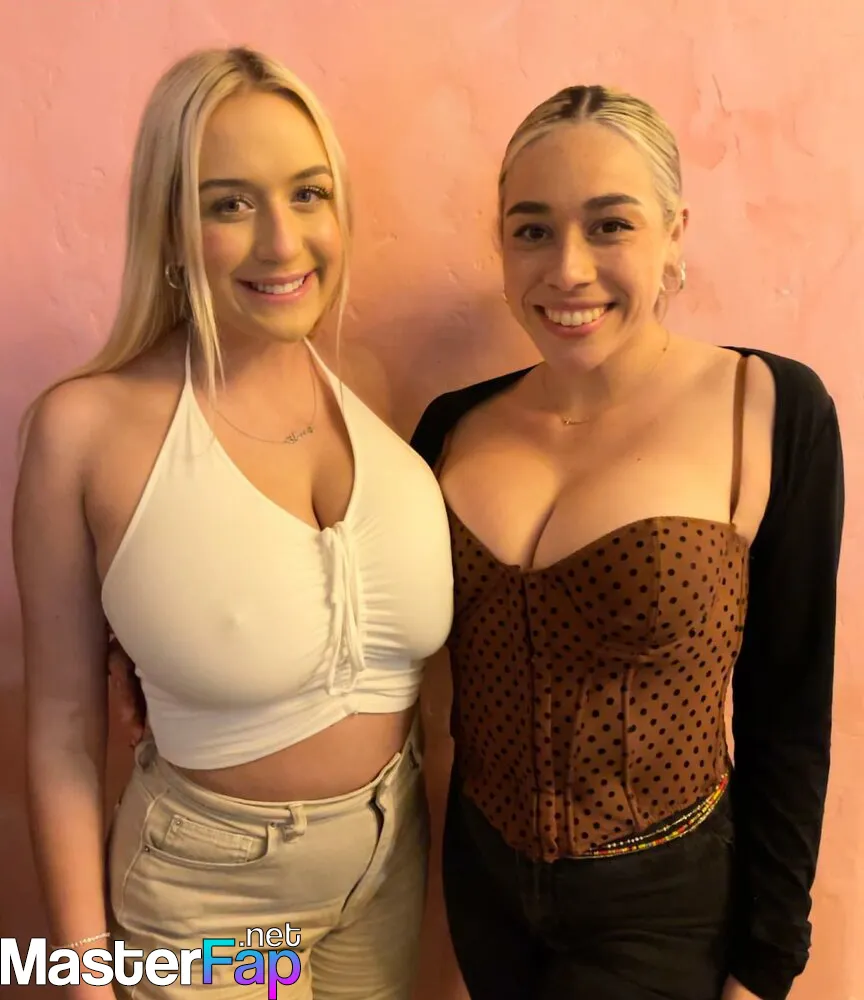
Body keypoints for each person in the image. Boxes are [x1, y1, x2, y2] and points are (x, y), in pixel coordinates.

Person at [13, 46, 454, 1000]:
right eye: (229, 205)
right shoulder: (83, 431)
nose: (282, 242)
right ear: (169, 228)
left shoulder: (367, 388)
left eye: (308, 194)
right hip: (211, 903)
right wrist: (85, 978)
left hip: (389, 870)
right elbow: (61, 730)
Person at [410, 85, 844, 1000]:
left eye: (611, 225)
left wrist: (768, 961)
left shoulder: (768, 408)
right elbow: (371, 630)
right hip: (480, 880)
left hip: (665, 905)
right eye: (532, 230)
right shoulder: (451, 427)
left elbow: (790, 705)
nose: (568, 268)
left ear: (675, 234)